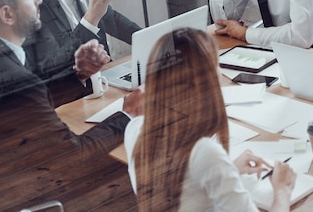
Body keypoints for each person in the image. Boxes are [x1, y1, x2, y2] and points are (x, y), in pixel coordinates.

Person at [0, 0, 144, 208]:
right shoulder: (15, 78)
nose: (39, 0)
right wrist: (128, 113)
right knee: (141, 172)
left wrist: (76, 75)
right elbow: (74, 159)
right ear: (7, 14)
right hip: (15, 195)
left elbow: (23, 102)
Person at [124, 28, 296, 211]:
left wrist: (227, 170)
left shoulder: (134, 128)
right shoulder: (204, 152)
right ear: (205, 82)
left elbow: (182, 186)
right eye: (217, 64)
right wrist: (282, 190)